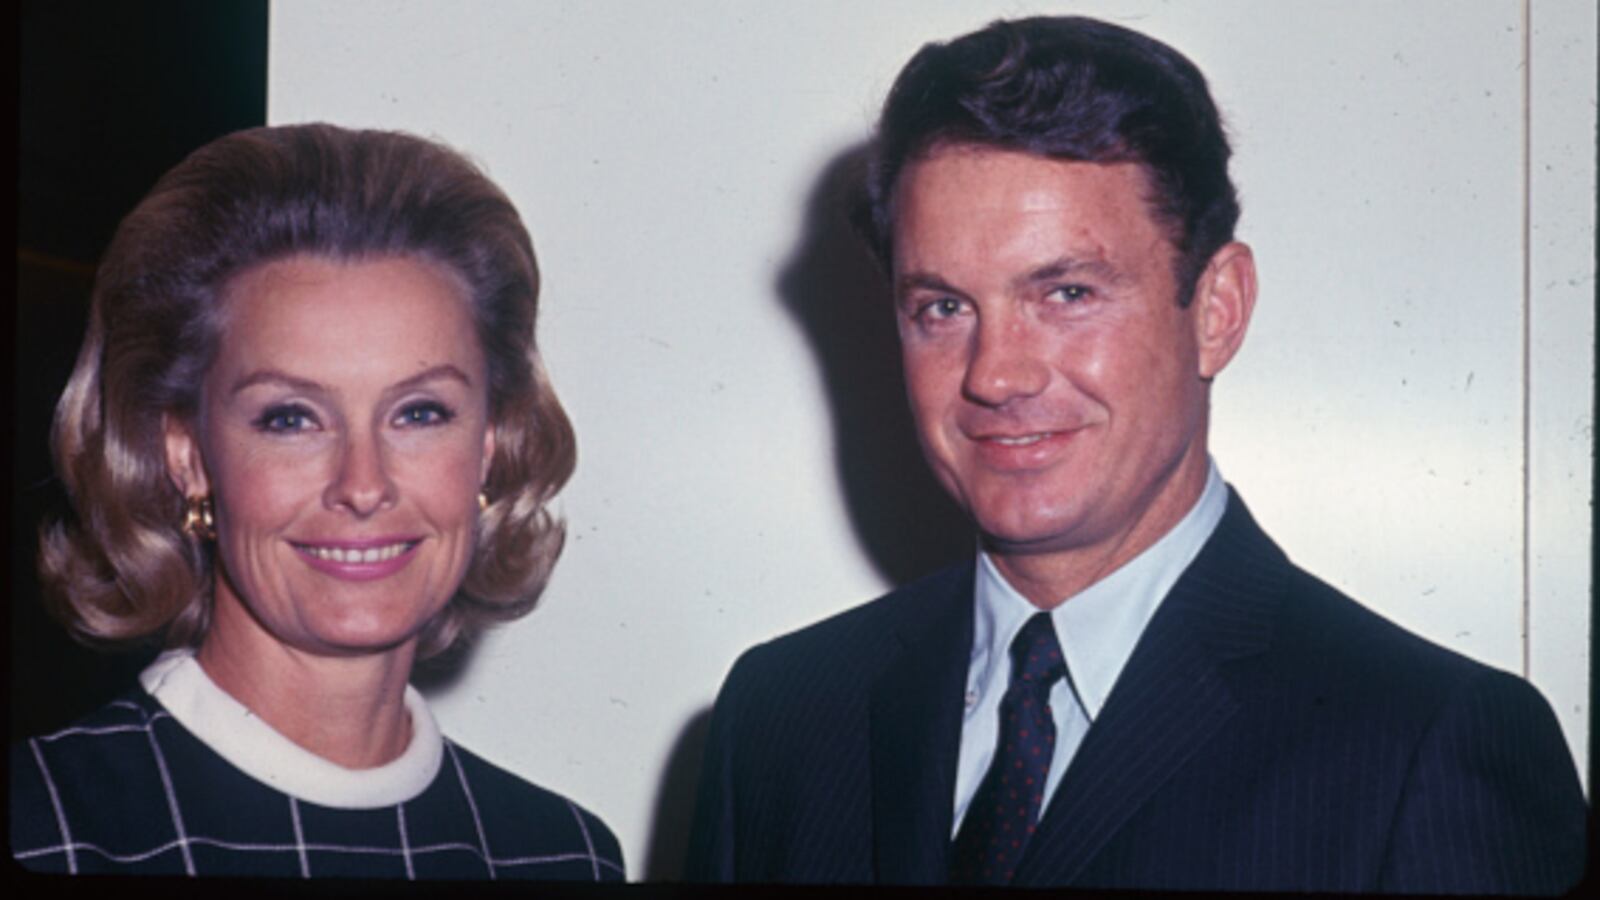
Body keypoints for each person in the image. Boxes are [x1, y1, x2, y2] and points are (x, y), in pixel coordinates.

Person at [686, 16, 1586, 892]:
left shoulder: (1426, 743)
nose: (996, 375)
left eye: (1068, 292)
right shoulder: (781, 719)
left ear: (1219, 309)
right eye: (943, 309)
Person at [10, 123, 624, 881]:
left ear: (490, 443)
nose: (363, 486)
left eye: (420, 413)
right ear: (188, 454)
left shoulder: (561, 855)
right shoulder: (45, 831)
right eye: (291, 418)